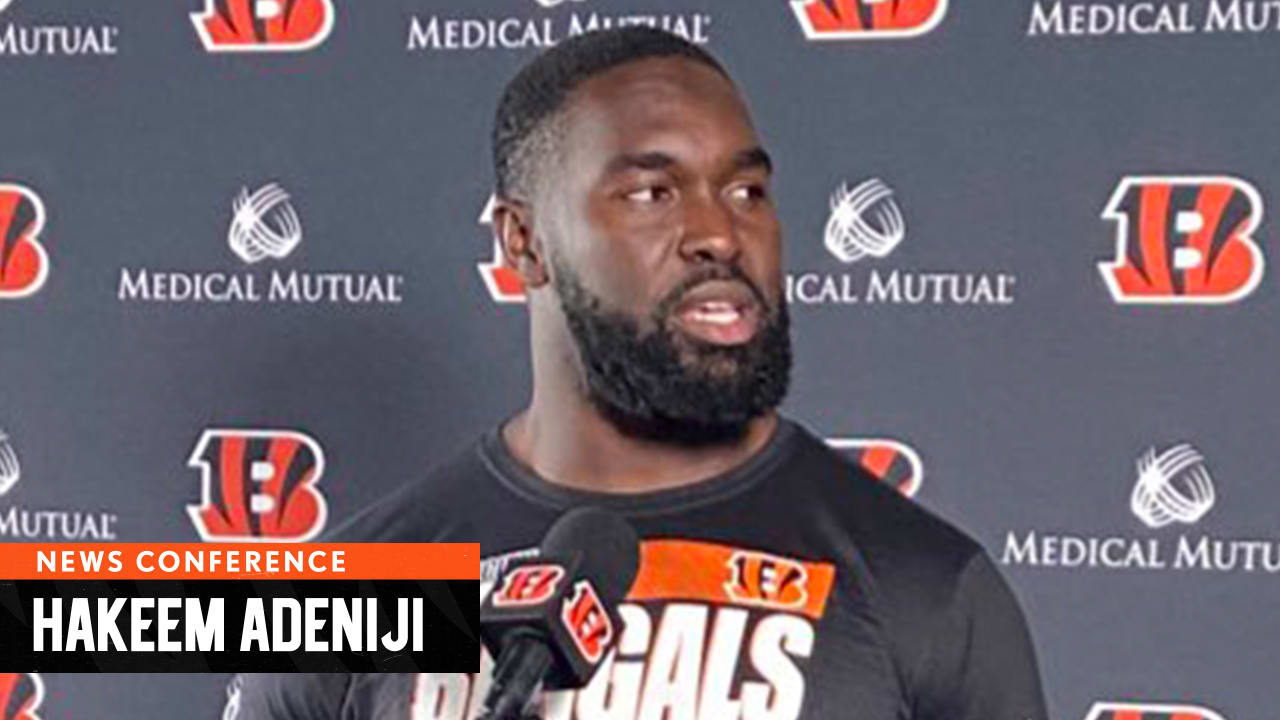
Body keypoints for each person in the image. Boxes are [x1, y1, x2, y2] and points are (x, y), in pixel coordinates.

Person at [228, 26, 1048, 720]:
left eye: (747, 189)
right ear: (523, 242)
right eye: (653, 192)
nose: (721, 233)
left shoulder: (929, 592)